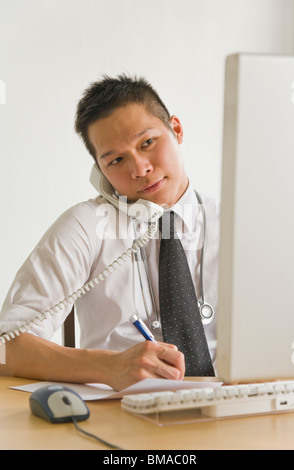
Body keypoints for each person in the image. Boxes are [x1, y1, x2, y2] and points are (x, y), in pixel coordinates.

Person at [0, 75, 219, 390]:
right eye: (116, 160)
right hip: (121, 418)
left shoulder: (237, 222)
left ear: (177, 130)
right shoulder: (85, 225)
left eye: (147, 143)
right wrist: (109, 367)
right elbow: (6, 347)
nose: (140, 168)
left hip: (240, 411)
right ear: (100, 173)